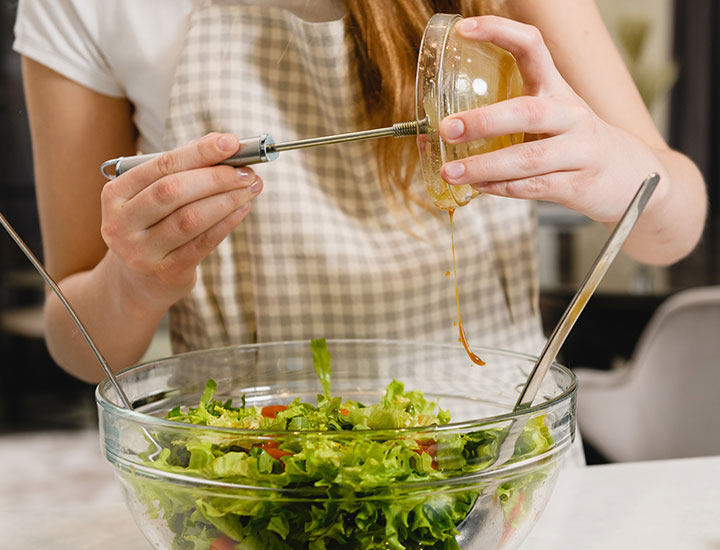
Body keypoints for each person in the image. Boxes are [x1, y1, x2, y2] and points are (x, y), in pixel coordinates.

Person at [13, 1, 706, 389]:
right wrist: (135, 281)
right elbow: (76, 344)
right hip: (249, 481)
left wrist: (618, 171)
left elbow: (674, 228)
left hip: (498, 473)